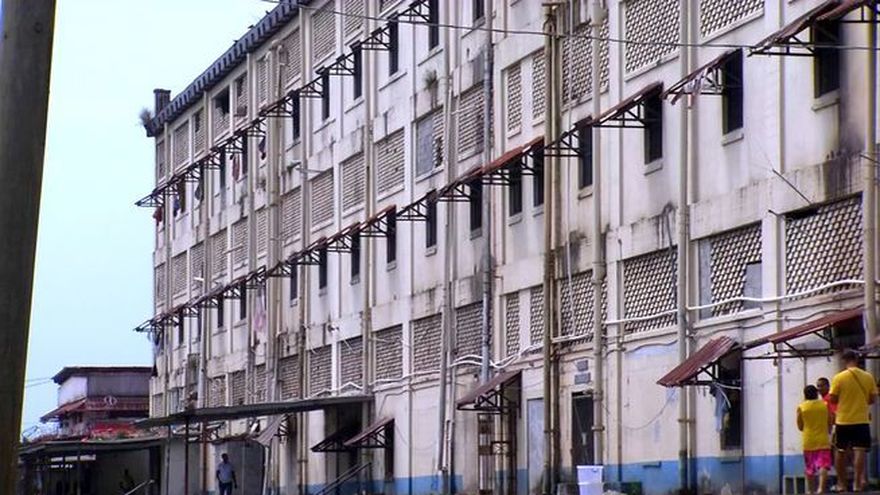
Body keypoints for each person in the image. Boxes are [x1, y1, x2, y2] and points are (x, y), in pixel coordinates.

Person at [829, 349, 877, 492]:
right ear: (856, 359)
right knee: (859, 450)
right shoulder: (868, 377)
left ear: (844, 360)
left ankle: (841, 483)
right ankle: (857, 483)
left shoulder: (839, 377)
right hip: (861, 420)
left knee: (840, 451)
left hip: (843, 420)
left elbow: (832, 398)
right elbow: (872, 399)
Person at [798, 385, 833, 494]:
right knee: (823, 465)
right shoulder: (824, 405)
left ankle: (810, 490)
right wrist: (828, 430)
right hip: (823, 440)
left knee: (810, 467)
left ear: (805, 395)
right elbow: (830, 421)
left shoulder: (801, 407)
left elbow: (800, 426)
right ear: (816, 394)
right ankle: (821, 489)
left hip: (808, 441)